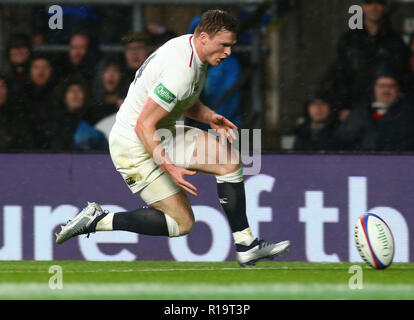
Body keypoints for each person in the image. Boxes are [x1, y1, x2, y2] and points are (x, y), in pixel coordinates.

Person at [56, 10, 290, 267]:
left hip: (160, 132)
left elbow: (182, 100)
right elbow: (144, 125)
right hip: (132, 143)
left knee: (228, 162)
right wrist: (168, 166)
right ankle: (97, 220)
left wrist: (208, 116)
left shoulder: (190, 51)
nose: (228, 52)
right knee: (181, 223)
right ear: (203, 37)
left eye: (231, 46)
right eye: (223, 45)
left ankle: (246, 245)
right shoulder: (182, 69)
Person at [322, 0, 409, 117]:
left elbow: (402, 75)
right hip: (356, 108)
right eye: (369, 3)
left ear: (384, 7)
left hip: (389, 109)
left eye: (378, 3)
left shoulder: (396, 41)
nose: (374, 7)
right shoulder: (349, 40)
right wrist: (342, 107)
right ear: (363, 7)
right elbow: (340, 77)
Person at [332, 62, 414, 151]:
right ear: (374, 87)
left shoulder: (408, 114)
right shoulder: (362, 112)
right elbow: (340, 141)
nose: (386, 90)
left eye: (391, 86)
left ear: (398, 89)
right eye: (382, 86)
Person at [50, 75, 108, 151]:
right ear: (64, 97)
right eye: (71, 90)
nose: (75, 94)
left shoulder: (95, 118)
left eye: (79, 90)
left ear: (85, 96)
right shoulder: (56, 122)